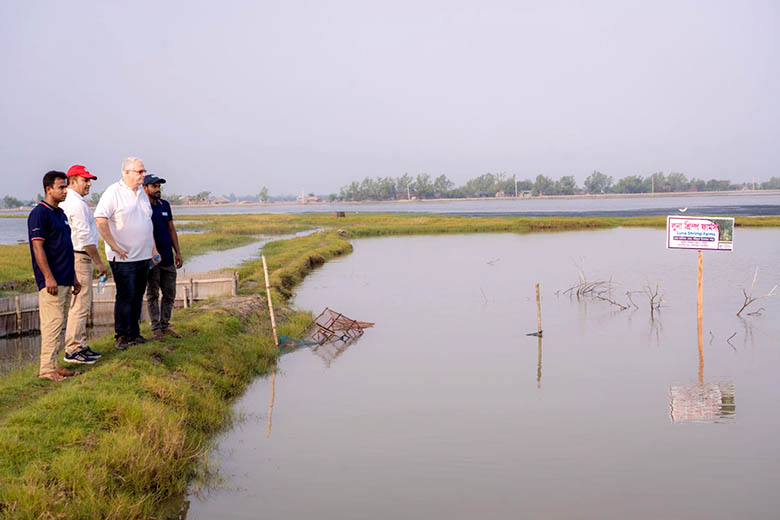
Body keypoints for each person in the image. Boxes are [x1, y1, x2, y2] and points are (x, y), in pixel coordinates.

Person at [94, 157, 159, 350]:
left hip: (144, 256)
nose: (143, 175)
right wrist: (113, 245)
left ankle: (134, 333)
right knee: (125, 295)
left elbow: (148, 224)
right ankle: (121, 335)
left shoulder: (141, 193)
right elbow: (100, 219)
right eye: (139, 172)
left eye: (144, 171)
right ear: (126, 173)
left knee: (138, 295)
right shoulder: (113, 192)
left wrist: (154, 250)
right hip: (123, 257)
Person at [28, 171, 81, 381]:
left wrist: (74, 277)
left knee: (60, 324)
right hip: (52, 281)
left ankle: (55, 365)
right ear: (48, 189)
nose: (65, 191)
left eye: (66, 186)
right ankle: (46, 369)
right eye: (61, 187)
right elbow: (38, 248)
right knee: (52, 324)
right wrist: (48, 277)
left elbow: (66, 248)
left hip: (66, 278)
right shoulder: (39, 214)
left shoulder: (60, 214)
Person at [60, 165, 108, 364]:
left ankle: (80, 344)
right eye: (85, 180)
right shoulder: (76, 204)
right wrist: (99, 263)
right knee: (80, 304)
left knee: (79, 303)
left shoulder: (74, 201)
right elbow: (86, 239)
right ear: (72, 181)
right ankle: (73, 349)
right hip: (80, 255)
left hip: (76, 255)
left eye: (90, 180)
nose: (89, 184)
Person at [143, 174, 183, 339]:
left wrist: (178, 252)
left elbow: (171, 229)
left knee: (170, 293)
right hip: (151, 259)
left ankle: (165, 325)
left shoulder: (164, 205)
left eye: (159, 186)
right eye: (154, 186)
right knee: (152, 294)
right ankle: (156, 328)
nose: (158, 189)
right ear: (145, 188)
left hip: (167, 256)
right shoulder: (142, 207)